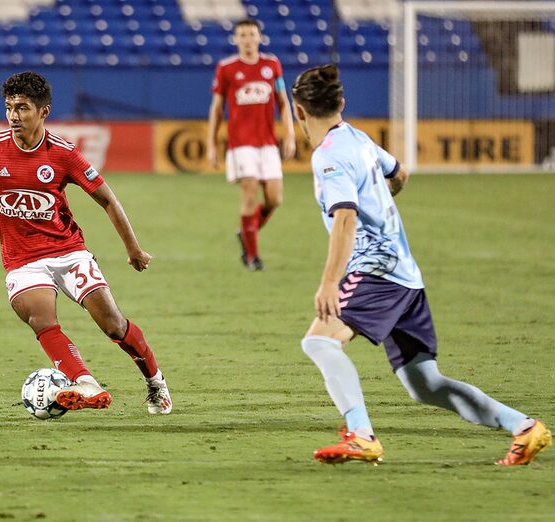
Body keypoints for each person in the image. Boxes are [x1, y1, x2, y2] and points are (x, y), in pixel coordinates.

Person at [292, 64, 550, 465]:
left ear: (299, 111)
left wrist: (330, 283)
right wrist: (381, 205)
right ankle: (524, 426)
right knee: (424, 382)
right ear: (341, 103)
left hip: (376, 270)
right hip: (405, 272)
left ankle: (361, 435)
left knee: (320, 341)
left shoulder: (329, 156)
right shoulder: (358, 139)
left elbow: (345, 217)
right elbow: (399, 174)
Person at [0, 71, 172, 415]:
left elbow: (108, 200)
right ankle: (86, 383)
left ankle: (155, 382)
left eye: (22, 108)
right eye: (9, 107)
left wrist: (134, 250)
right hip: (22, 261)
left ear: (43, 111)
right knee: (40, 318)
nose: (13, 116)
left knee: (114, 325)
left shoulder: (63, 154)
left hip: (69, 253)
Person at [207, 18, 296, 271]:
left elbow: (282, 101)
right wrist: (212, 143)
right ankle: (252, 256)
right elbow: (216, 108)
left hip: (267, 142)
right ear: (236, 39)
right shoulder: (226, 68)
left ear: (259, 37)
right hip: (240, 144)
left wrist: (289, 134)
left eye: (251, 34)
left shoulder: (272, 65)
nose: (247, 39)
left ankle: (246, 232)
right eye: (243, 35)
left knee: (275, 199)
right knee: (249, 193)